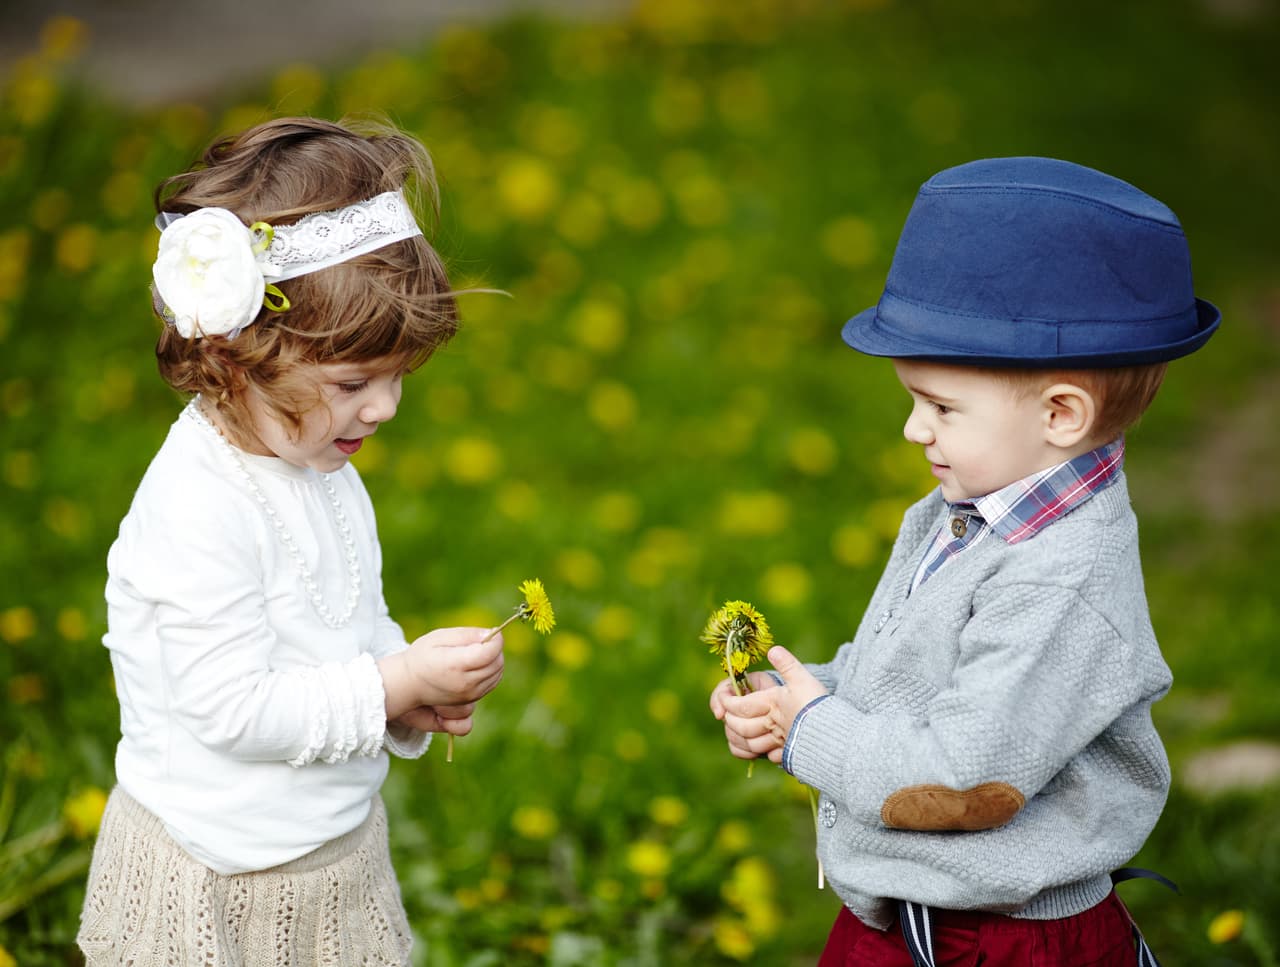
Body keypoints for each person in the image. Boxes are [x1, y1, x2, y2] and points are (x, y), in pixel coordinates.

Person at [711, 157, 1219, 966]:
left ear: (1060, 413)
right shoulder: (966, 513)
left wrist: (814, 730)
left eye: (942, 405)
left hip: (996, 935)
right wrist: (806, 692)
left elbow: (958, 777)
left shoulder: (1061, 581)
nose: (915, 429)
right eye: (913, 398)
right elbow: (917, 680)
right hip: (918, 906)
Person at [77, 117, 506, 966]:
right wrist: (389, 682)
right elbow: (231, 708)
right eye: (354, 382)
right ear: (240, 359)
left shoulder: (320, 463)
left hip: (328, 856)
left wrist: (403, 691)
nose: (383, 408)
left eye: (395, 379)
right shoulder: (198, 505)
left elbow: (351, 619)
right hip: (218, 874)